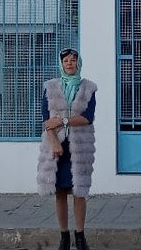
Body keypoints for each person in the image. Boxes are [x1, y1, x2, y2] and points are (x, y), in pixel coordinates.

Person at [37, 48, 97, 250]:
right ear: (61, 64)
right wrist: (54, 142)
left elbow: (87, 118)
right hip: (56, 149)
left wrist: (62, 120)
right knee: (60, 193)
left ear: (78, 63)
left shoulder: (88, 88)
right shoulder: (50, 87)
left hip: (79, 149)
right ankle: (64, 237)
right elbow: (47, 120)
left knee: (79, 192)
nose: (69, 63)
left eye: (73, 60)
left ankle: (80, 237)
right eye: (66, 61)